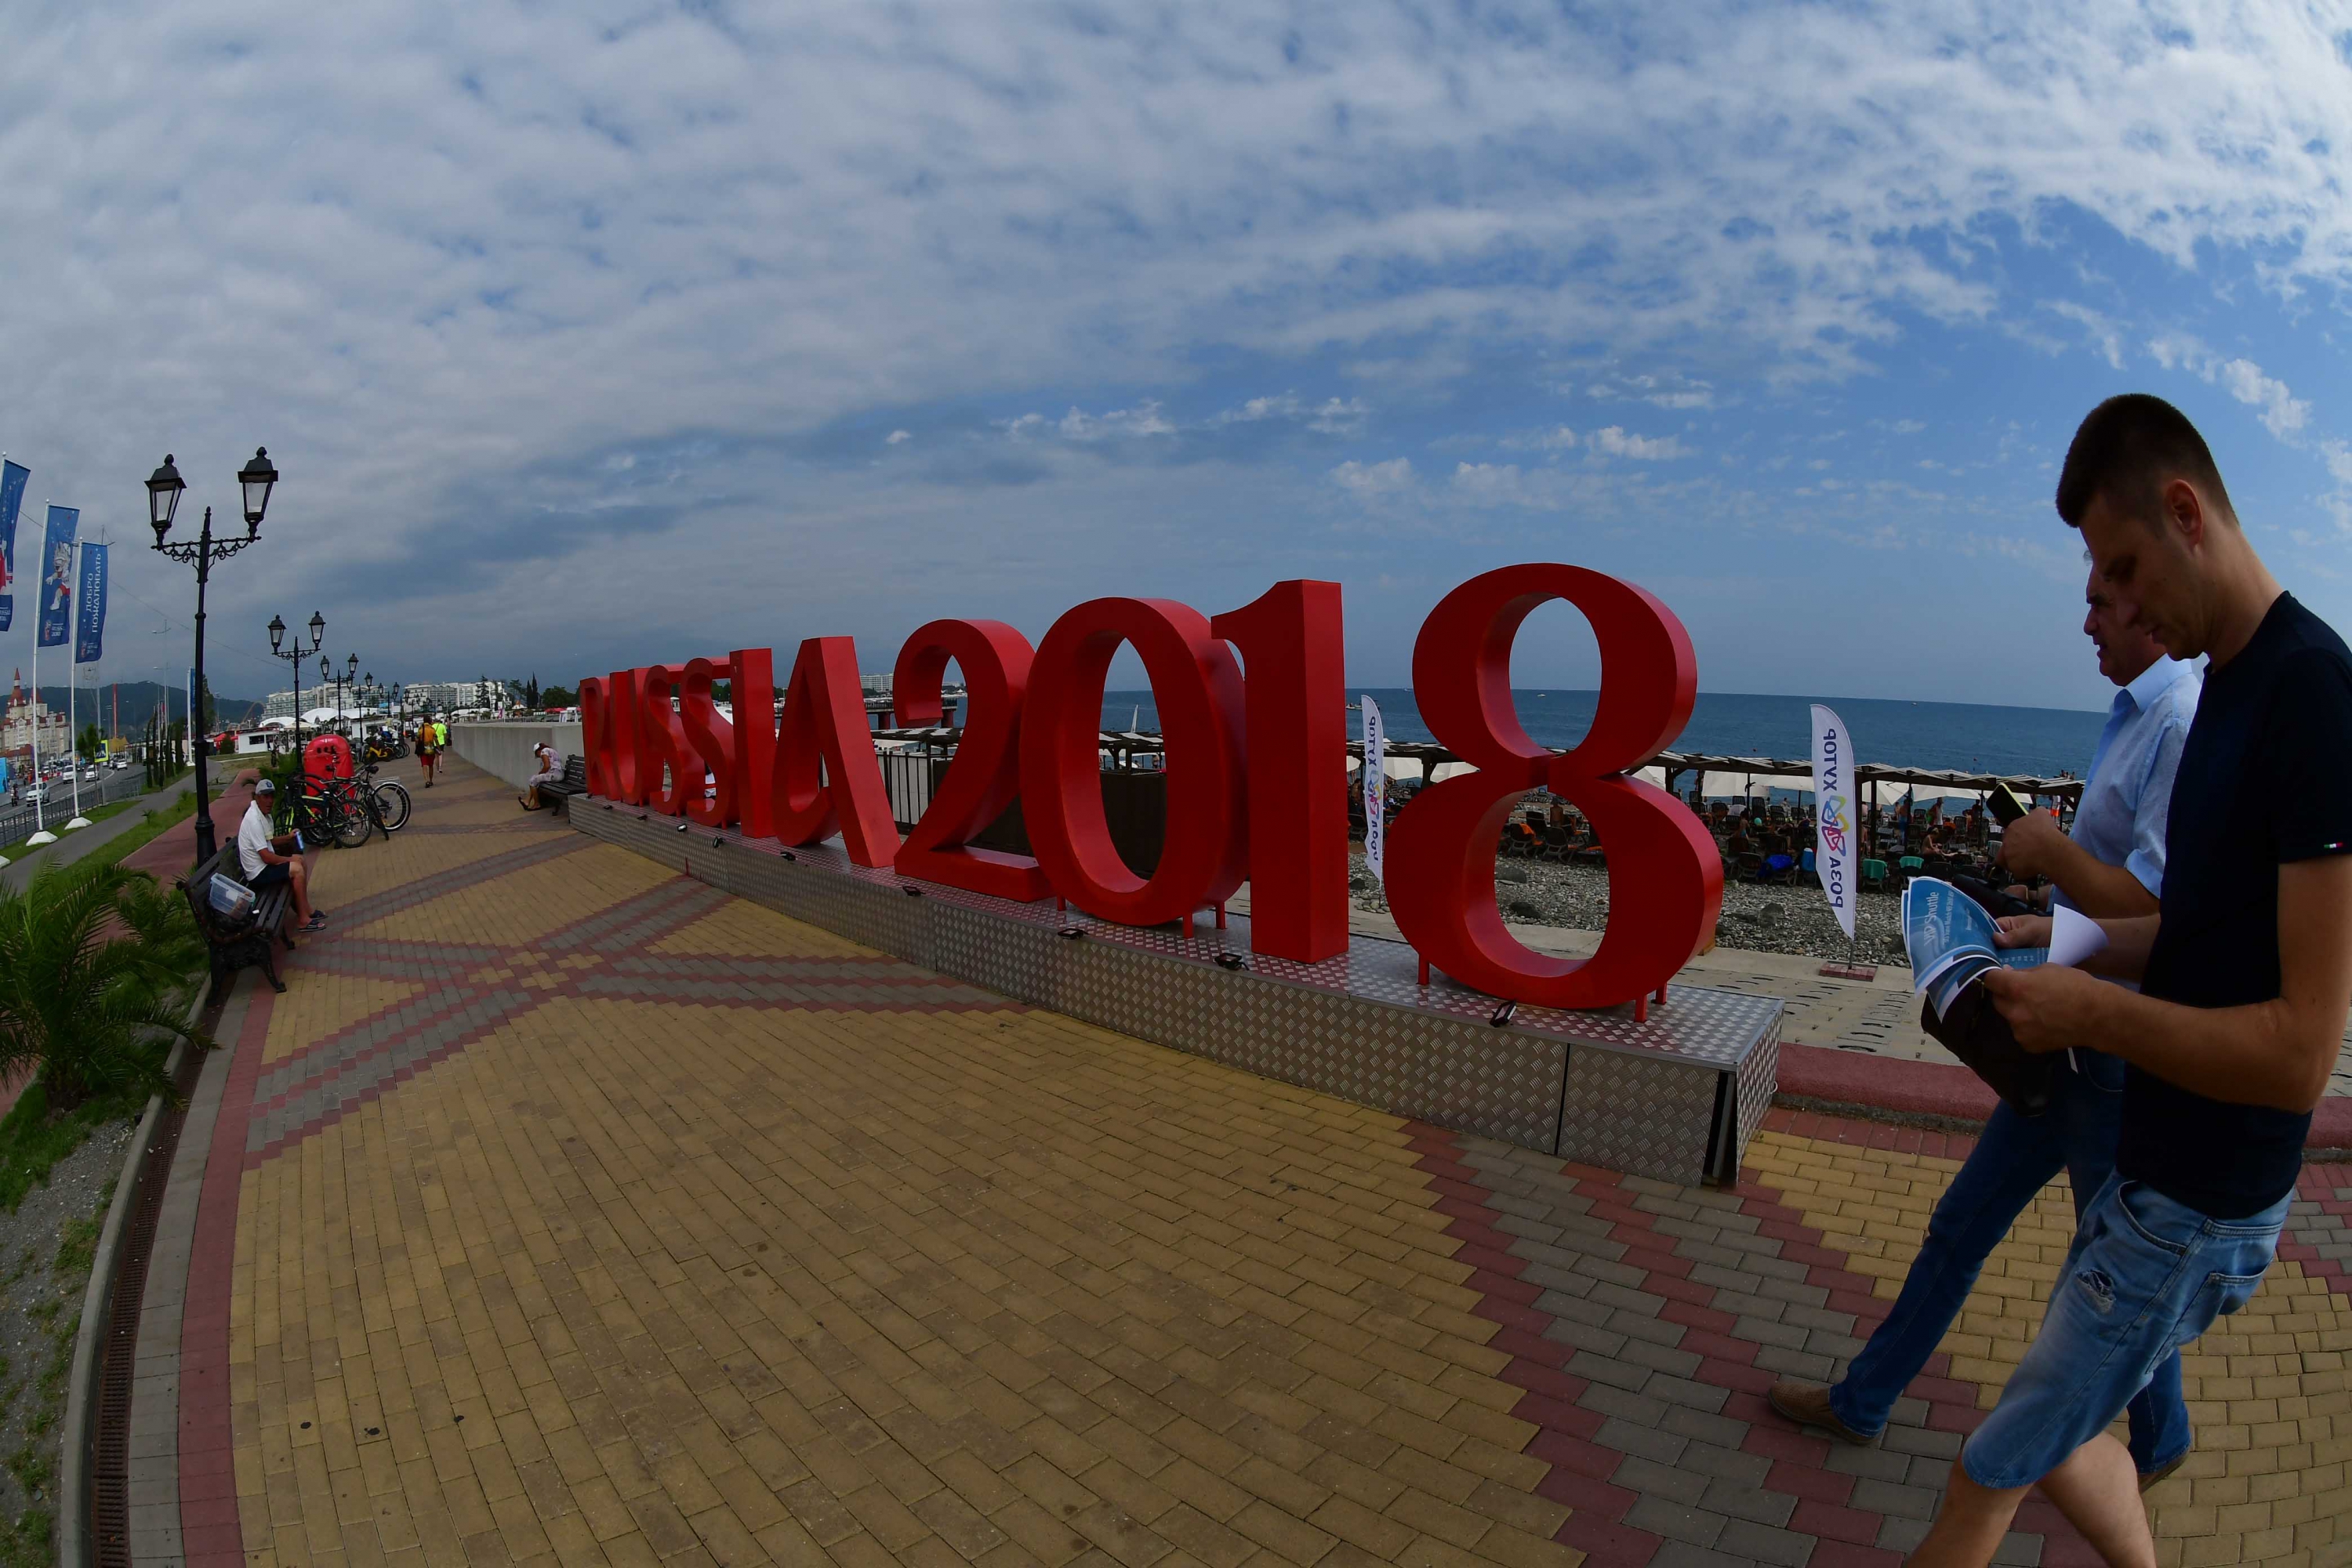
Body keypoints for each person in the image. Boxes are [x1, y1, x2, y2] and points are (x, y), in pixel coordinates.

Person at [1903, 394, 2352, 1567]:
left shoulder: (2312, 695)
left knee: (1987, 1465)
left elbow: (2305, 1051)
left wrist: (2095, 1010)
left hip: (2202, 1202)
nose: (2121, 603)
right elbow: (2193, 935)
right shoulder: (2233, 690)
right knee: (2055, 1438)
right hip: (2155, 1175)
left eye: (2123, 566)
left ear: (2186, 511)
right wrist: (2055, 943)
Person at [1768, 556, 2201, 1487]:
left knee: (2114, 1267)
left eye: (2099, 603)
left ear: (2151, 612)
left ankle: (2161, 1438)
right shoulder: (2136, 710)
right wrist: (2046, 915)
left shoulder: (2175, 717)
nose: (2085, 623)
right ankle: (1863, 1400)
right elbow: (2115, 898)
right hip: (2066, 1032)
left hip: (2106, 1048)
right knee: (1964, 1226)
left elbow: (2158, 909)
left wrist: (2048, 848)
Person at [238, 778, 322, 931]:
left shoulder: (264, 814)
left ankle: (306, 909)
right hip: (258, 874)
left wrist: (289, 837)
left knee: (300, 861)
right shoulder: (254, 820)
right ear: (257, 797)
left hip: (264, 866)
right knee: (296, 868)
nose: (270, 801)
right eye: (265, 796)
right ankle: (303, 920)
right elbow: (266, 857)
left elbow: (270, 841)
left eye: (271, 796)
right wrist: (290, 859)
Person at [521, 739, 563, 810]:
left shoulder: (544, 751)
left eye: (536, 754)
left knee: (533, 780)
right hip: (558, 774)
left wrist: (541, 773)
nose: (538, 756)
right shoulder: (551, 750)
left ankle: (537, 804)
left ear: (538, 751)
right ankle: (527, 801)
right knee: (535, 780)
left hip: (554, 775)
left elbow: (547, 766)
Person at [416, 717, 438, 786]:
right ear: (430, 721)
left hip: (423, 751)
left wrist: (417, 748)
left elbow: (417, 740)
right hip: (431, 750)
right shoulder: (432, 729)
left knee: (424, 765)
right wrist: (439, 749)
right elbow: (436, 739)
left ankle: (427, 781)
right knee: (431, 766)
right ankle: (431, 780)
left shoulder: (420, 729)